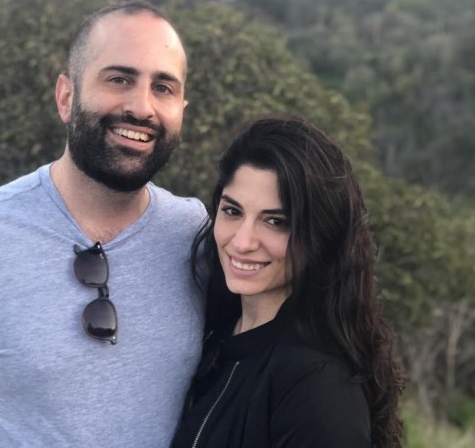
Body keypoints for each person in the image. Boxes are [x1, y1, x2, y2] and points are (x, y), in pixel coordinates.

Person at [0, 1, 207, 448]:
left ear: (181, 110)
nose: (142, 106)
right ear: (66, 97)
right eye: (119, 79)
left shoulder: (200, 237)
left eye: (164, 88)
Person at [171, 115, 404, 448]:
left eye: (276, 221)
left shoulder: (317, 385)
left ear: (319, 235)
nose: (242, 241)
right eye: (233, 212)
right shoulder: (215, 331)